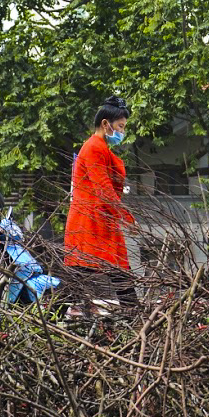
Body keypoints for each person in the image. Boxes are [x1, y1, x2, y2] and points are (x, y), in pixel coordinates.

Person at [64, 96, 138, 307]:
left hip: (98, 222)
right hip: (91, 224)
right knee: (86, 277)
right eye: (120, 127)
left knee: (80, 278)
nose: (122, 132)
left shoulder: (99, 147)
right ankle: (137, 323)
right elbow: (104, 190)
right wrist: (127, 217)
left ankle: (136, 321)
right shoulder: (95, 148)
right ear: (106, 124)